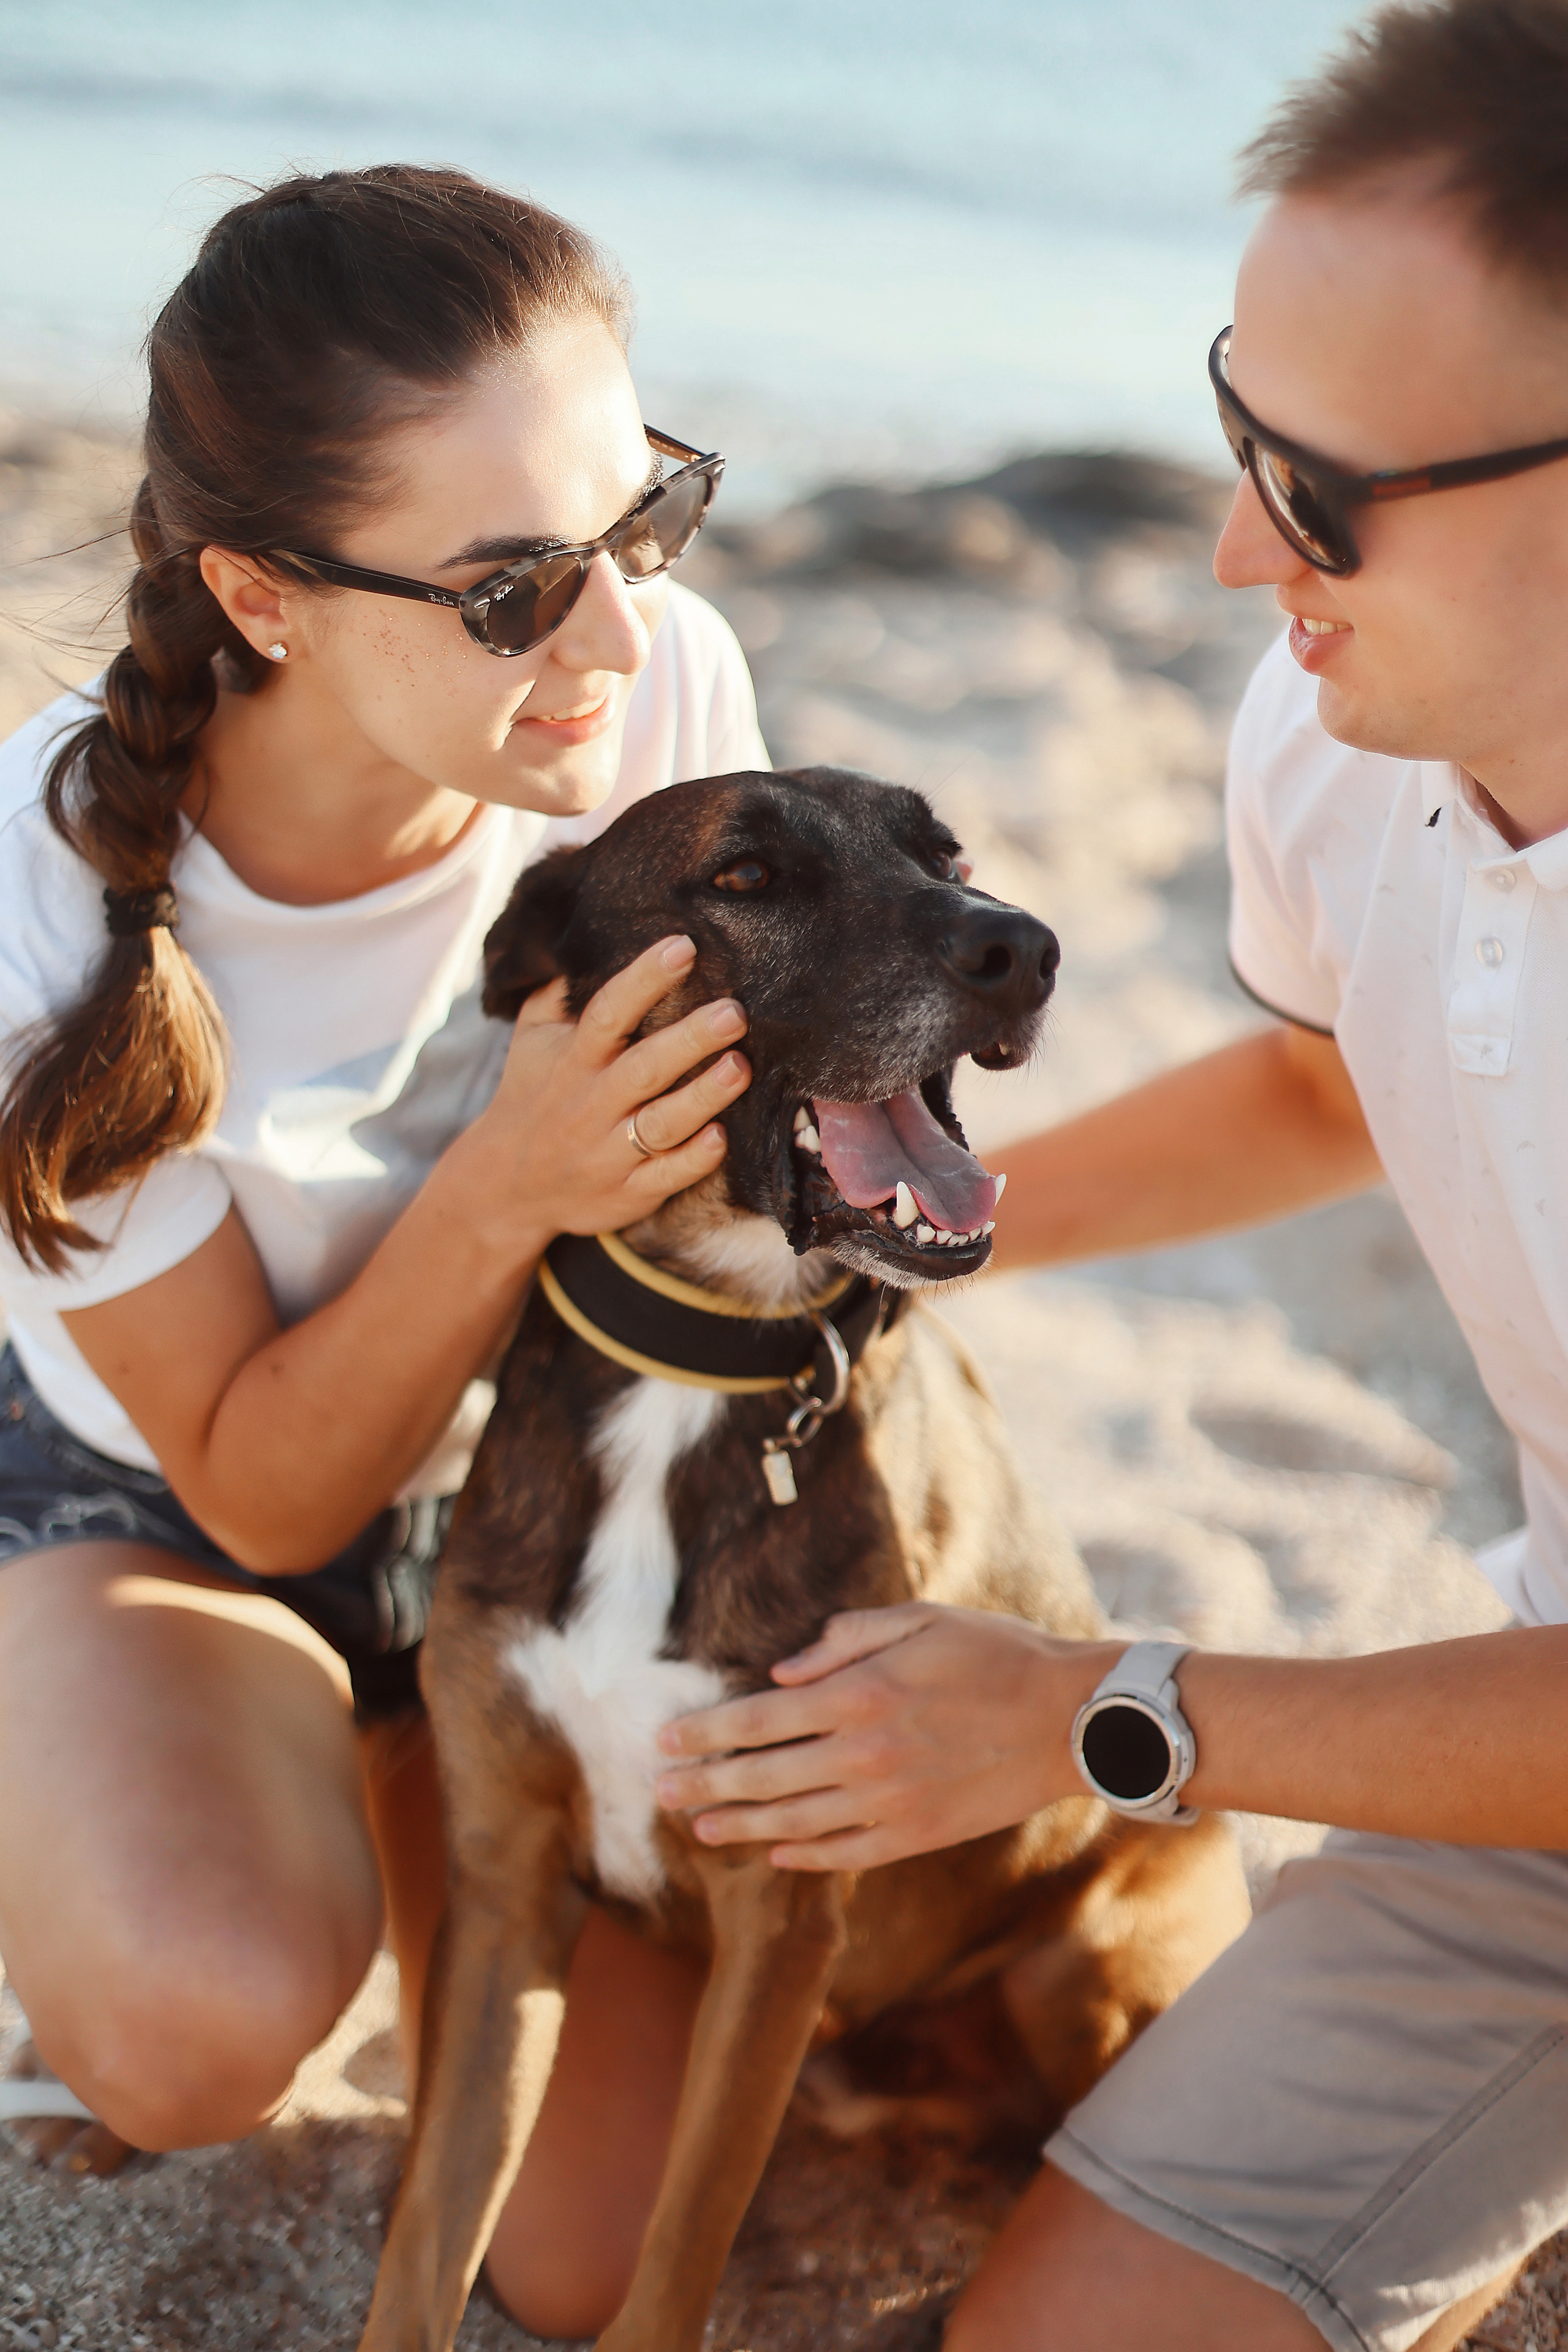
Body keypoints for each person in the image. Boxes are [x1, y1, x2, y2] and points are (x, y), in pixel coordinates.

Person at [652, 4, 1568, 2346]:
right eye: (1231, 419)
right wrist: (911, 1232)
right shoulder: (1349, 721)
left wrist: (1089, 1709)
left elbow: (1098, 1719)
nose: (1237, 542)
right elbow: (1326, 1086)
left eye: (1326, 488)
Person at [0, 164, 769, 2335]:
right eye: (516, 586)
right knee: (195, 2023)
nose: (617, 636)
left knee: (587, 2245)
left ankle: (388, 1741)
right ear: (260, 595)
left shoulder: (664, 690)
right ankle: (103, 1738)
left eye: (641, 524)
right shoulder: (34, 903)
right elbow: (265, 1482)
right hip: (158, 1499)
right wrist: (506, 1182)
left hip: (524, 1490)